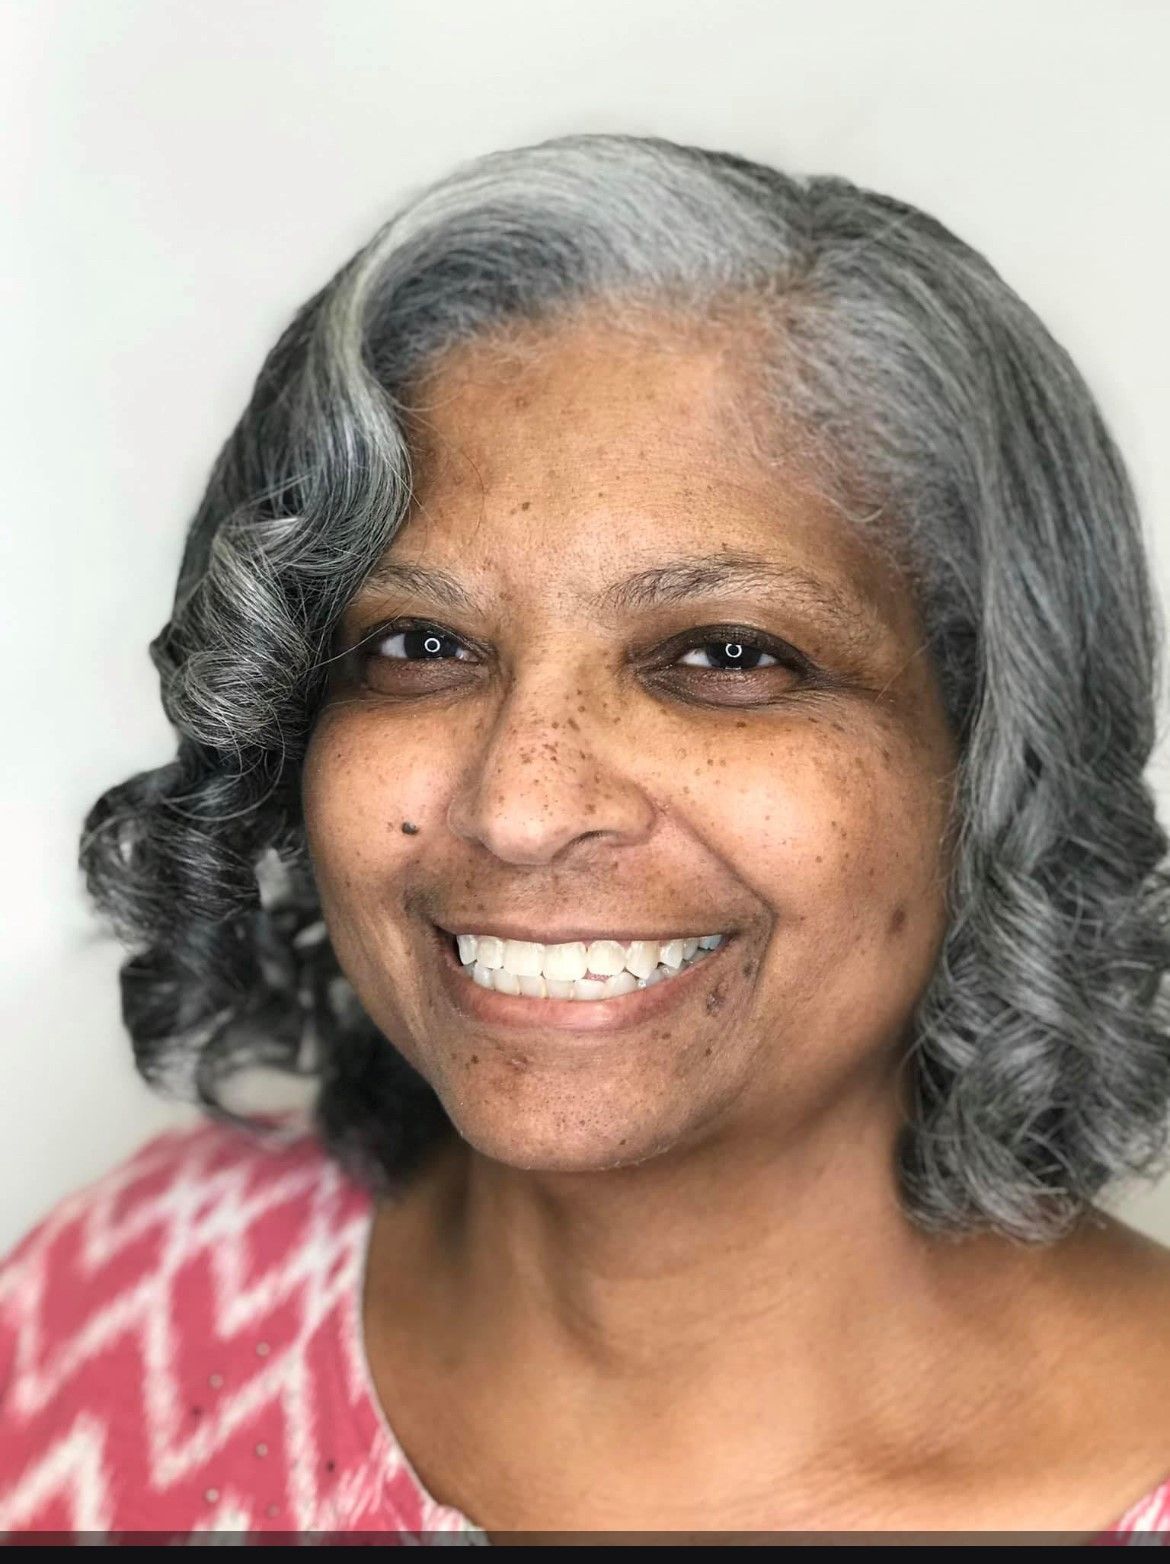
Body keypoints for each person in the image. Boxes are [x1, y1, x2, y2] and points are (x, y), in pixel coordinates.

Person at [3, 132, 1170, 1543]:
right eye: (418, 644)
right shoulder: (127, 1298)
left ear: (992, 755)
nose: (522, 804)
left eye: (726, 654)